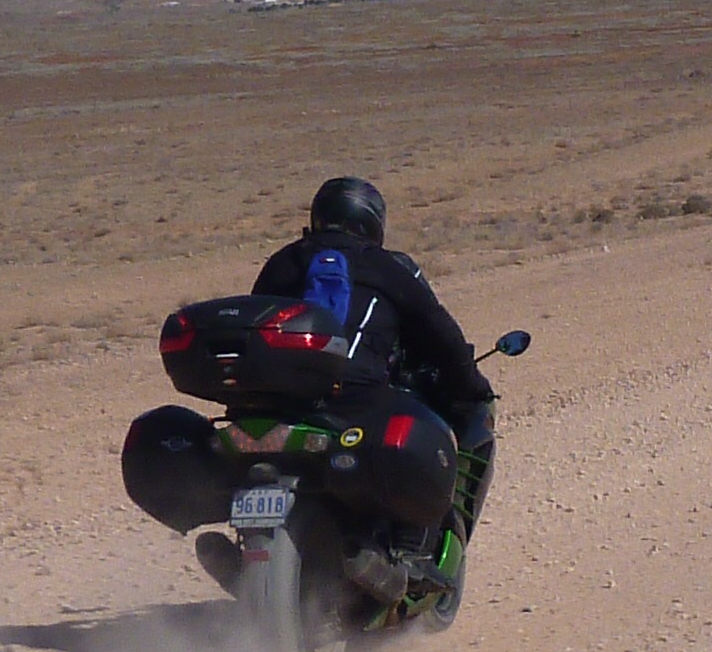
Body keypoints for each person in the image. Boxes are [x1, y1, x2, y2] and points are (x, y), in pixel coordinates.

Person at [192, 176, 499, 607]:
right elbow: (441, 335)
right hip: (355, 398)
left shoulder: (284, 262)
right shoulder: (386, 267)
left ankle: (255, 567)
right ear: (373, 223)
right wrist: (472, 386)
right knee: (417, 438)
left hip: (280, 402)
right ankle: (408, 554)